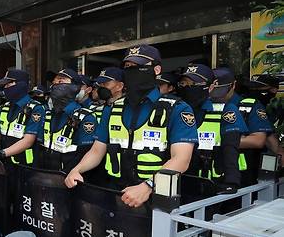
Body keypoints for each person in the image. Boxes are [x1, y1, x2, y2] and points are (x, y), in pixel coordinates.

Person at [65, 45, 198, 208]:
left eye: (138, 66)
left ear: (156, 70)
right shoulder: (113, 108)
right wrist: (77, 169)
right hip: (114, 194)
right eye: (128, 67)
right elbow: (97, 150)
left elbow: (181, 159)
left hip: (156, 199)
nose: (132, 71)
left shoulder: (176, 109)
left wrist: (147, 186)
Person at [178, 64, 247, 192]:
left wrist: (231, 181)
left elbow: (230, 148)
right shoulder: (175, 110)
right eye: (184, 84)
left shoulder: (225, 110)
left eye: (194, 84)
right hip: (180, 182)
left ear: (210, 87)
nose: (188, 88)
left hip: (212, 184)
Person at [211, 68, 273, 185]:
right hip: (207, 173)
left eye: (222, 89)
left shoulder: (248, 105)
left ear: (233, 85)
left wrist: (214, 140)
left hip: (239, 173)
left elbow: (258, 140)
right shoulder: (204, 105)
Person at [37, 68, 98, 173]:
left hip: (69, 181)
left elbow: (83, 155)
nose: (55, 84)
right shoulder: (47, 115)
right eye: (54, 82)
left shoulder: (85, 118)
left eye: (61, 81)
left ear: (75, 88)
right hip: (45, 180)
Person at [0, 69, 46, 166]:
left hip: (25, 166)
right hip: (3, 165)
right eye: (4, 85)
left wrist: (1, 154)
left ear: (21, 85)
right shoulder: (4, 108)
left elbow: (28, 141)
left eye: (9, 84)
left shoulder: (36, 109)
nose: (5, 88)